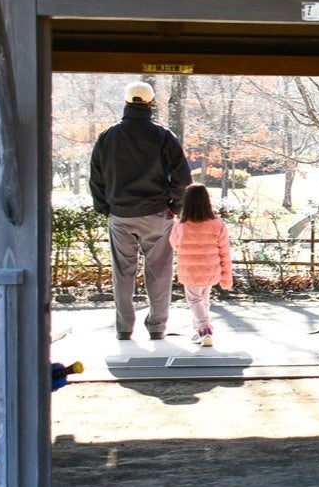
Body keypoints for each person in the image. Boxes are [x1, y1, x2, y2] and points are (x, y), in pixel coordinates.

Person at [89, 81, 191, 341]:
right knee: (159, 271)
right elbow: (182, 177)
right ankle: (157, 327)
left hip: (120, 214)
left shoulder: (107, 136)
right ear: (151, 104)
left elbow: (96, 178)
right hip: (156, 213)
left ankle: (124, 328)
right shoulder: (163, 135)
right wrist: (174, 207)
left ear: (126, 102)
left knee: (122, 272)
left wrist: (105, 208)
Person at [168, 183, 233, 347]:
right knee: (204, 301)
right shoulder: (217, 223)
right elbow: (224, 250)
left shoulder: (181, 225)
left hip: (189, 270)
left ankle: (204, 328)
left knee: (195, 300)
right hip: (210, 269)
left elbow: (175, 244)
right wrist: (226, 275)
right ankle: (199, 332)